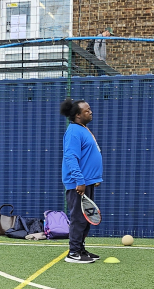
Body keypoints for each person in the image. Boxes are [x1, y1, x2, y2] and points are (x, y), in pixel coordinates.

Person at [60, 98, 103, 264]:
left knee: (86, 217)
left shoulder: (82, 128)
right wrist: (80, 180)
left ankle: (81, 249)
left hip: (87, 181)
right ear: (78, 115)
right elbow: (70, 157)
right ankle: (73, 253)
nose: (90, 112)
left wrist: (94, 178)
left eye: (90, 109)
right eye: (86, 110)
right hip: (79, 183)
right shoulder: (73, 132)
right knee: (78, 218)